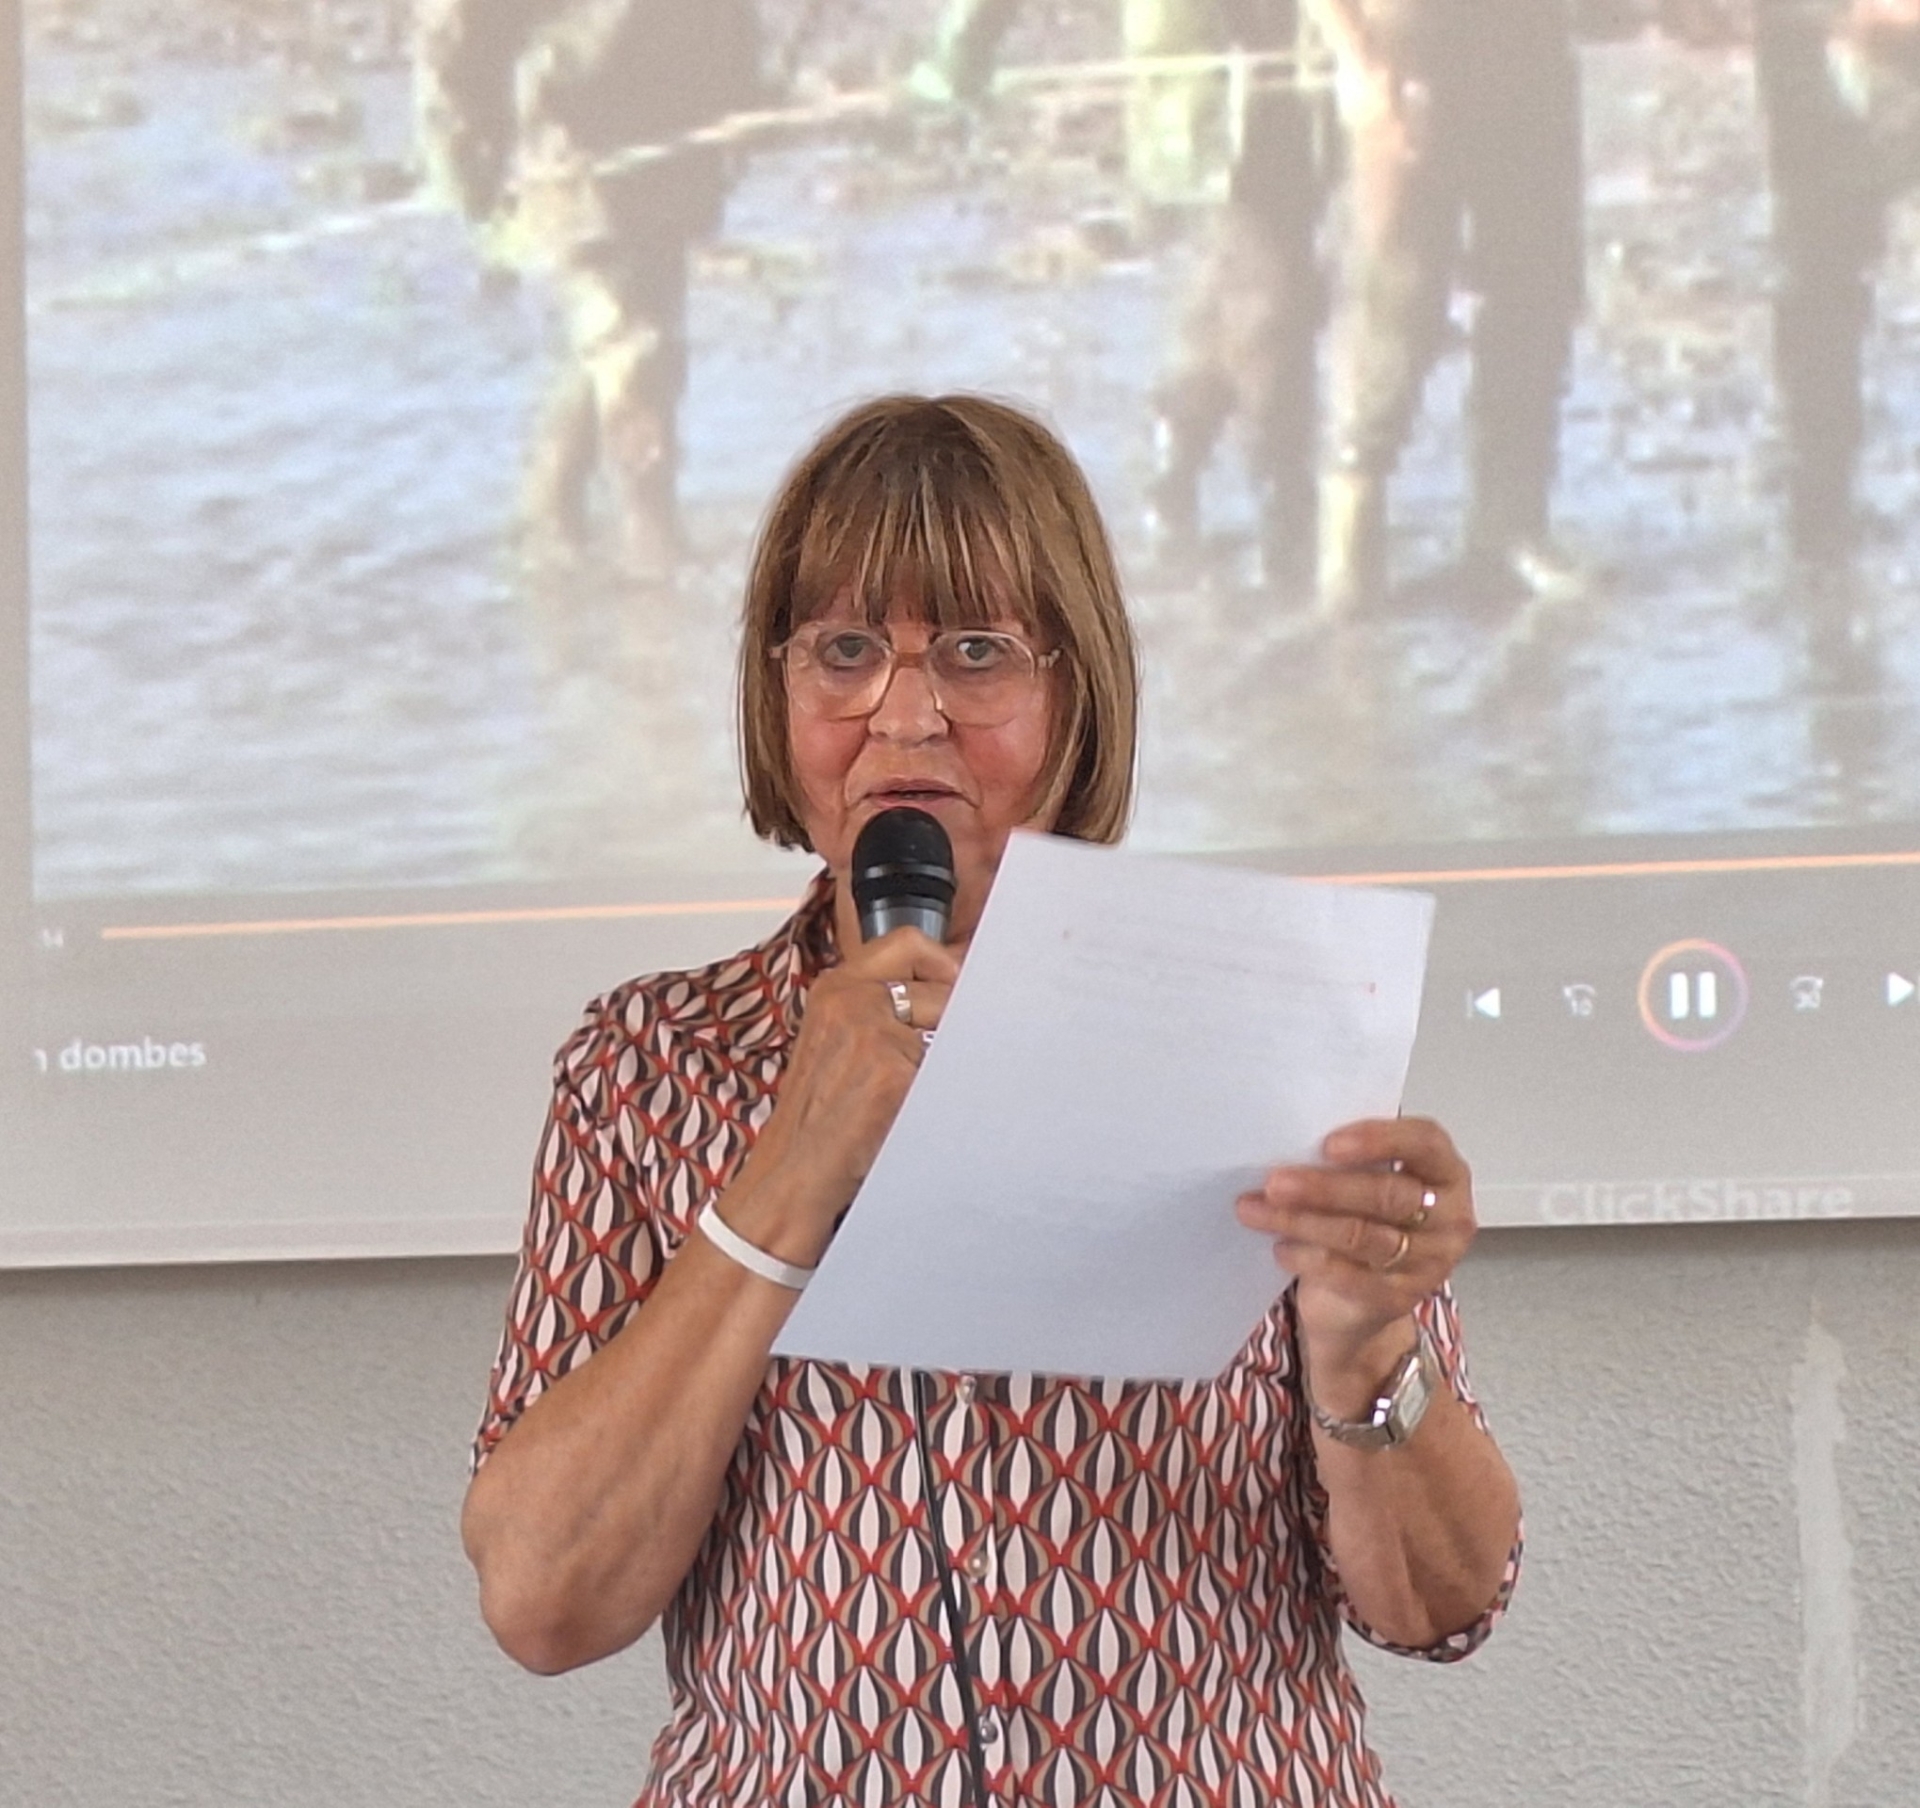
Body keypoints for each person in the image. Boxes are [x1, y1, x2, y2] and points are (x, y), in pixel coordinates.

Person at [463, 394, 1522, 1806]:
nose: (906, 713)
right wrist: (787, 1170)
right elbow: (545, 1602)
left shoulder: (1258, 1025)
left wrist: (1365, 1345)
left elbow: (1439, 1608)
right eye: (845, 650)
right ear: (776, 698)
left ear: (1077, 693)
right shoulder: (649, 1067)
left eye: (976, 652)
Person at [415, 0, 760, 581]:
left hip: (676, 117)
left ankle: (549, 522)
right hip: (578, 138)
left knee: (618, 341)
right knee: (634, 350)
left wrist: (742, 88)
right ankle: (653, 552)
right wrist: (462, 160)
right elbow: (454, 31)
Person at [1308, 0, 1586, 614]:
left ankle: (1510, 524)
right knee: (1395, 297)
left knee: (1535, 281)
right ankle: (1350, 542)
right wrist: (1356, 58)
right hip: (1405, 44)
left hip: (1529, 43)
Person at [1754, 0, 1920, 573]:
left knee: (1826, 260)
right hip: (1821, 31)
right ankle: (1821, 492)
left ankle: (1822, 496)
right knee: (1826, 256)